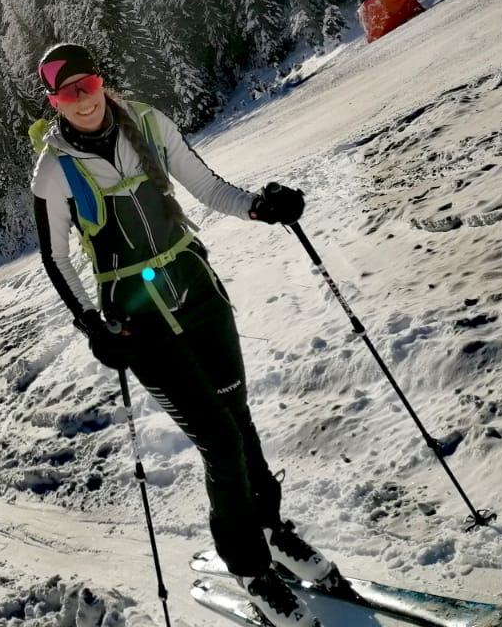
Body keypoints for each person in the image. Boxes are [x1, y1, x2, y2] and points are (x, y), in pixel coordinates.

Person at [28, 42, 333, 627]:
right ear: (54, 103)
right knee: (219, 440)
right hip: (138, 320)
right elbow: (56, 258)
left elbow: (209, 188)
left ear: (100, 81)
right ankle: (250, 569)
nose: (83, 100)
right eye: (67, 94)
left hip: (198, 291)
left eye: (87, 85)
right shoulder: (53, 171)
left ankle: (269, 530)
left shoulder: (148, 123)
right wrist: (92, 325)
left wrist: (260, 206)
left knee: (238, 419)